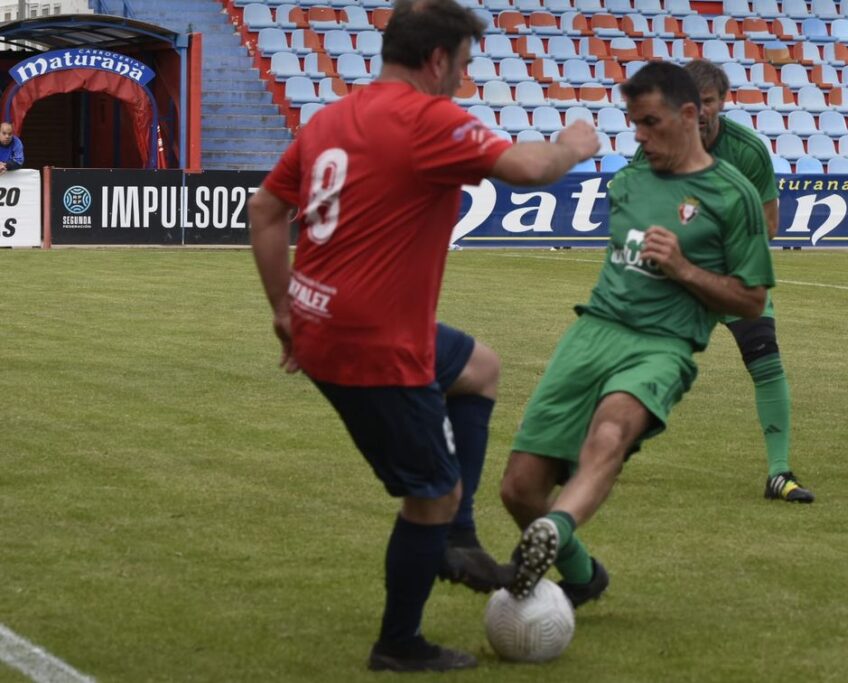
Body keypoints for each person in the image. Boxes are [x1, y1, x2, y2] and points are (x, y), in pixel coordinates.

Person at [247, 0, 599, 673]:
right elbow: (526, 169)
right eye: (464, 66)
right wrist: (574, 147)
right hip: (372, 342)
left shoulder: (333, 115)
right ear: (438, 59)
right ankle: (399, 640)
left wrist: (284, 308)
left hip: (325, 322)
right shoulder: (426, 118)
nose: (463, 80)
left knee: (481, 368)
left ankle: (457, 536)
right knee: (429, 494)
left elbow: (266, 209)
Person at [498, 62, 775, 606]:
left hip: (662, 345)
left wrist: (686, 270)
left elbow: (752, 299)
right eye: (634, 124)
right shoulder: (627, 181)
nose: (639, 135)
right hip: (593, 332)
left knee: (609, 436)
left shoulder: (733, 195)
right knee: (519, 488)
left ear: (690, 114)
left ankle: (553, 532)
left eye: (650, 123)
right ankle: (580, 573)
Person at [684, 58, 812, 503]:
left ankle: (779, 472)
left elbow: (770, 224)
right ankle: (603, 451)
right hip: (677, 278)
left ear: (721, 103)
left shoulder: (748, 149)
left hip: (736, 275)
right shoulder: (658, 144)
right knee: (637, 367)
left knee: (766, 360)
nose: (699, 112)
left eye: (707, 102)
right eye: (690, 102)